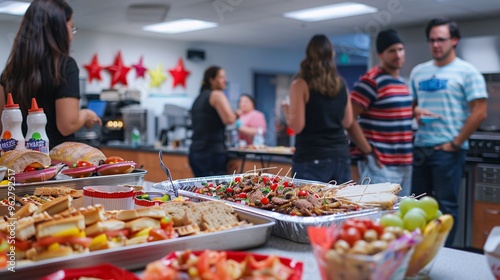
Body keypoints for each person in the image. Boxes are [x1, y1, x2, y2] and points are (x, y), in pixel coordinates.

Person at [410, 18, 487, 246]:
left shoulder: (467, 72)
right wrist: (416, 111)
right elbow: (413, 104)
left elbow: (480, 111)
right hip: (422, 147)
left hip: (448, 151)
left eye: (441, 40)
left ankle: (444, 255)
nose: (436, 45)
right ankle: (418, 252)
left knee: (446, 207)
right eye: (432, 40)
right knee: (417, 204)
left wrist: (455, 142)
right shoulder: (418, 72)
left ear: (454, 41)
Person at [0, 0, 102, 149]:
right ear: (58, 29)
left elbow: (3, 127)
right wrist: (85, 114)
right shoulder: (66, 66)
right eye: (71, 27)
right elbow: (67, 124)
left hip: (17, 163)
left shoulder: (9, 72)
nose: (72, 36)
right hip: (54, 164)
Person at [347, 29, 413, 197]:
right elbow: (348, 119)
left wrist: (417, 111)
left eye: (400, 49)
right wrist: (368, 150)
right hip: (381, 165)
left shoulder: (402, 83)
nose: (398, 55)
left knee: (398, 218)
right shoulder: (371, 81)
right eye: (392, 51)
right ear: (380, 55)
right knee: (376, 218)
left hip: (405, 164)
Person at [282, 34, 353, 183]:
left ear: (308, 55)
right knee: (341, 204)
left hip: (312, 155)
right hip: (340, 155)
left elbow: (297, 126)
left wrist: (286, 110)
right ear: (332, 54)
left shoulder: (300, 84)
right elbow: (348, 122)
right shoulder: (341, 84)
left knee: (308, 205)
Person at [189, 66, 238, 177]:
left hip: (195, 152)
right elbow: (229, 119)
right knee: (213, 191)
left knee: (200, 190)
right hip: (211, 153)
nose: (225, 80)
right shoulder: (217, 94)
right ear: (212, 80)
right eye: (221, 77)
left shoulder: (199, 97)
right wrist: (237, 113)